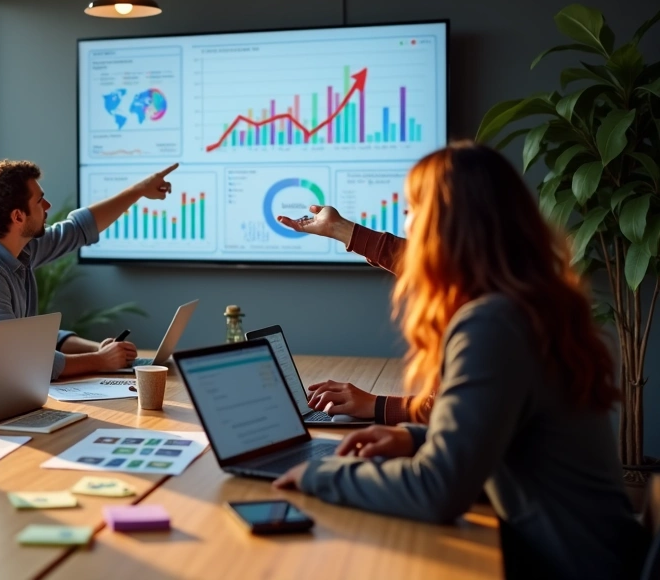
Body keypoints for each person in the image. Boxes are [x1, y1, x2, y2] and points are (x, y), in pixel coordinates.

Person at [271, 143, 646, 578]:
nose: (406, 223)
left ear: (446, 229)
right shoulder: (529, 304)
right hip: (593, 551)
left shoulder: (494, 323)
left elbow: (439, 491)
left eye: (413, 210)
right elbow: (498, 433)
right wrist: (415, 440)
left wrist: (319, 475)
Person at [0, 160, 177, 391]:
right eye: (39, 201)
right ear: (18, 216)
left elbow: (78, 229)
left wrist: (138, 191)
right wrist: (100, 360)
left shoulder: (18, 249)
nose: (48, 206)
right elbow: (20, 361)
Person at [276, 204, 427, 423]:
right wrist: (338, 227)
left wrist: (377, 405)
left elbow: (459, 412)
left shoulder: (478, 317)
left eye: (414, 206)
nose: (406, 215)